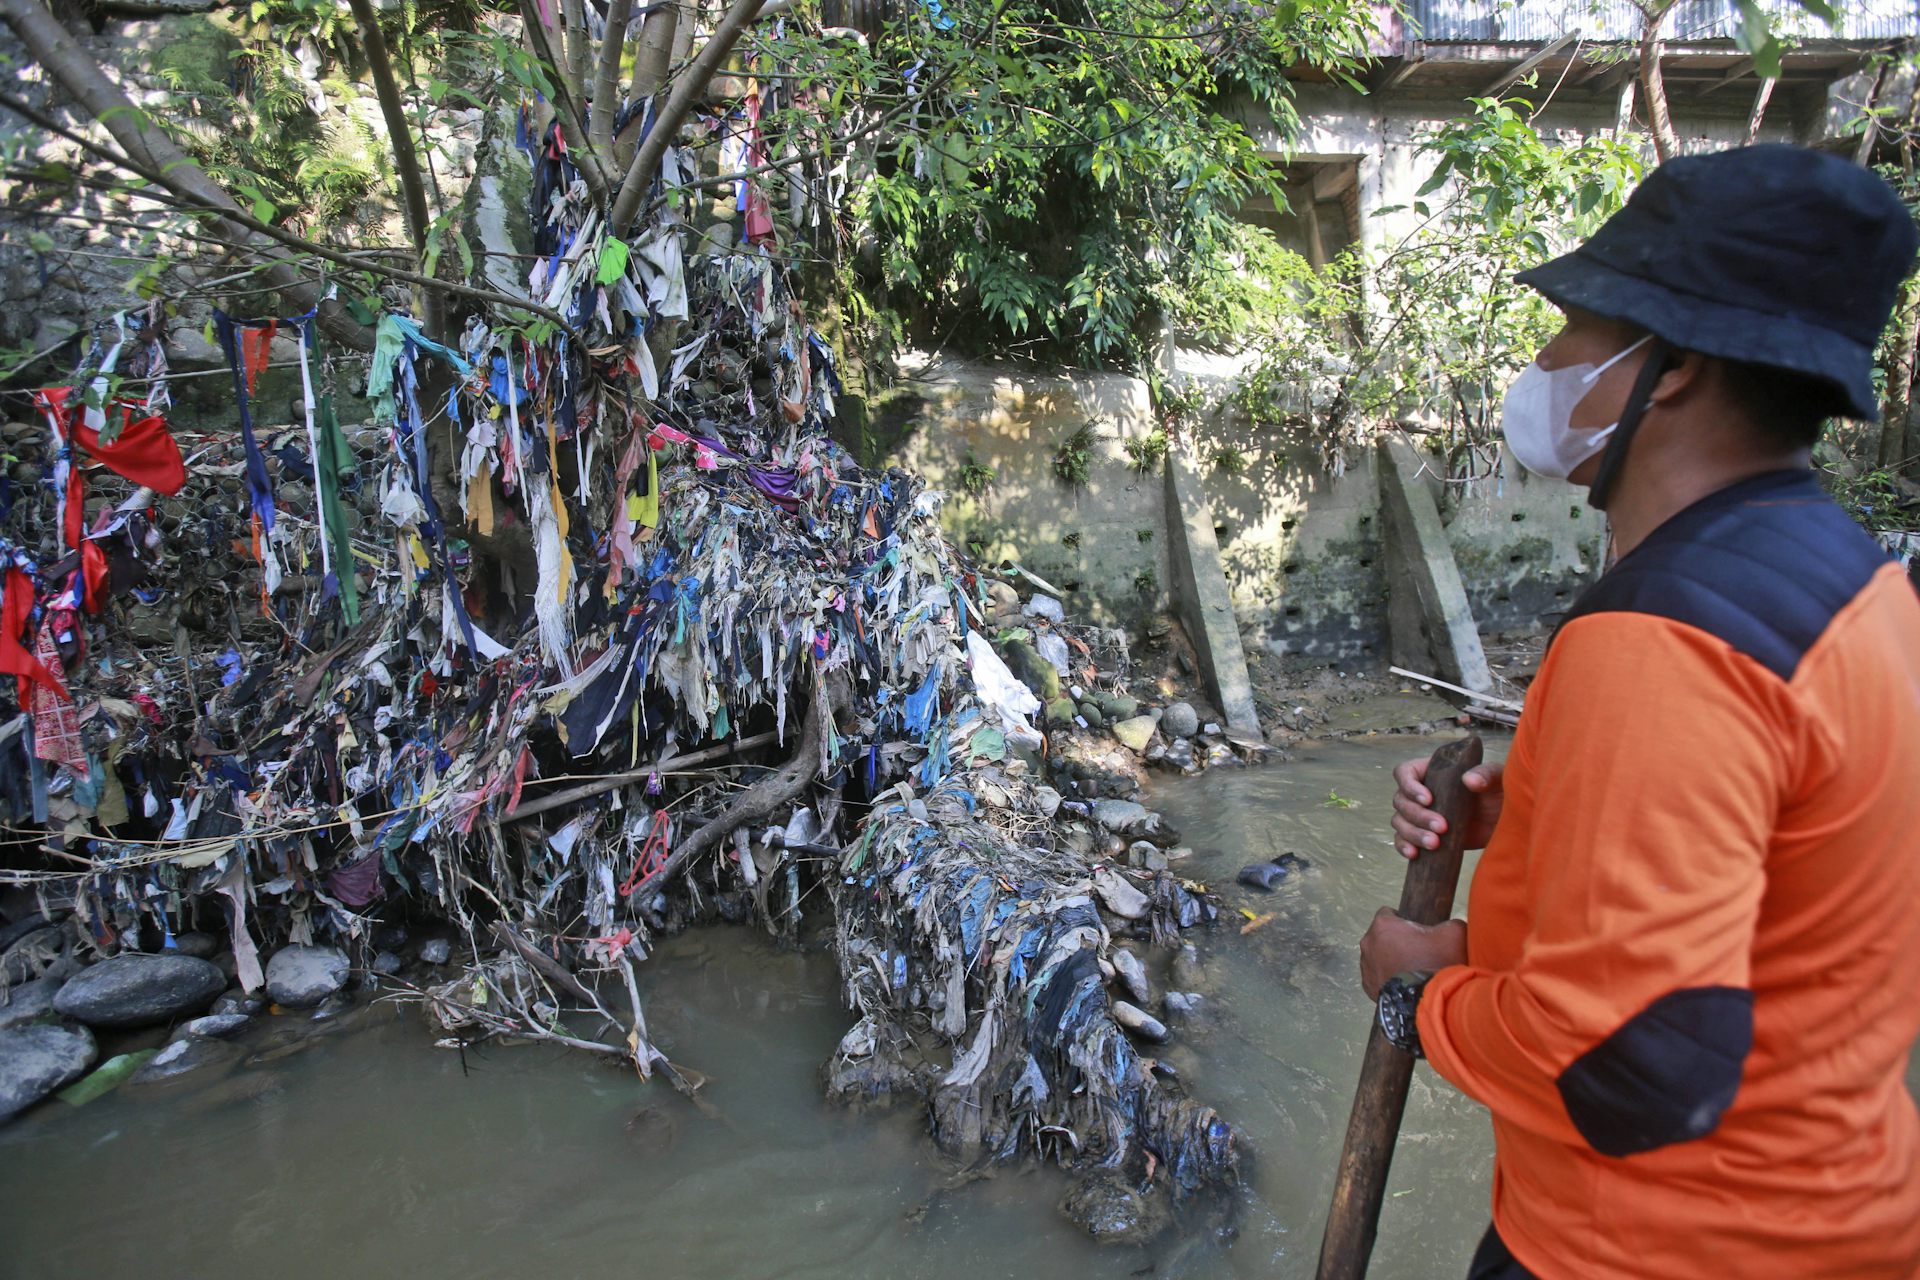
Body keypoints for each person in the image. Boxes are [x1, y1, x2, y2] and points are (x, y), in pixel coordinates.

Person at [1356, 143, 1920, 1279]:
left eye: (1572, 327)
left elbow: (1632, 1061)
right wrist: (1536, 821)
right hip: (1836, 1212)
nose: (1545, 360)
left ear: (1673, 367)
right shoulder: (1857, 584)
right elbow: (1784, 914)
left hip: (1655, 1247)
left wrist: (1420, 991)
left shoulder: (1664, 640)